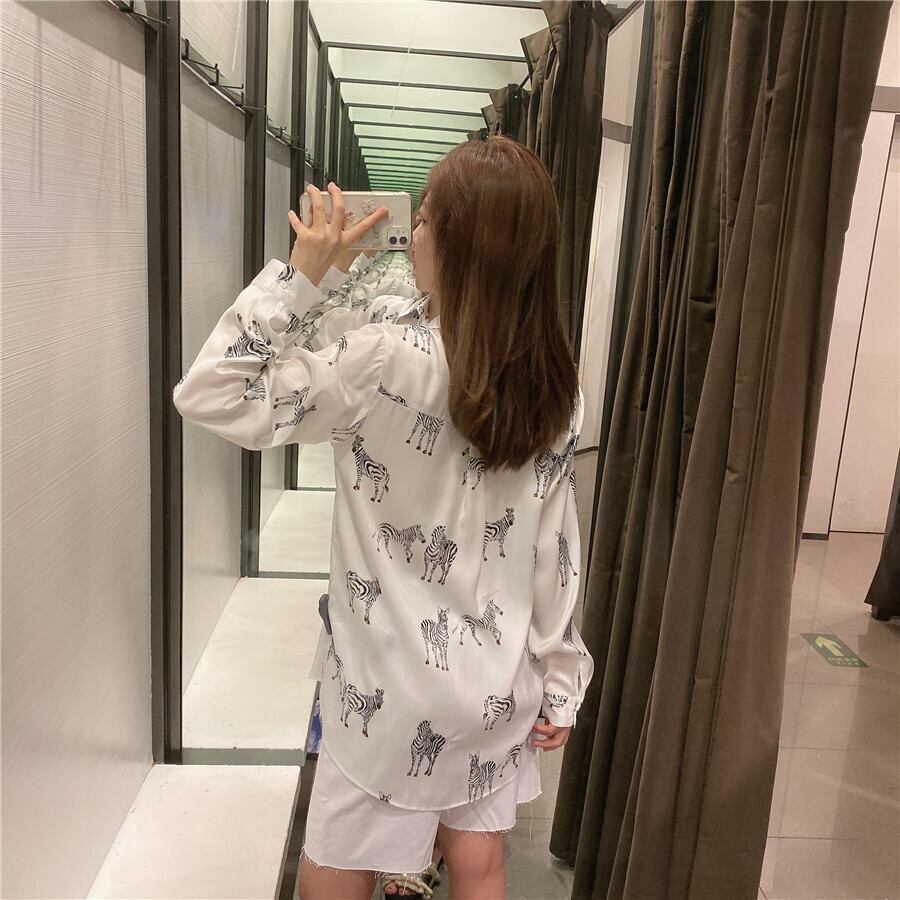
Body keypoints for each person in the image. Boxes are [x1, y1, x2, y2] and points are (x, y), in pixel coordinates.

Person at [172, 136, 594, 900]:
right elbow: (554, 552)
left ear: (458, 246)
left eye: (424, 220)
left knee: (340, 864)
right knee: (481, 864)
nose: (413, 233)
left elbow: (211, 393)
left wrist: (303, 277)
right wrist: (561, 679)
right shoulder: (557, 388)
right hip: (496, 687)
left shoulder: (378, 359)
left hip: (384, 690)